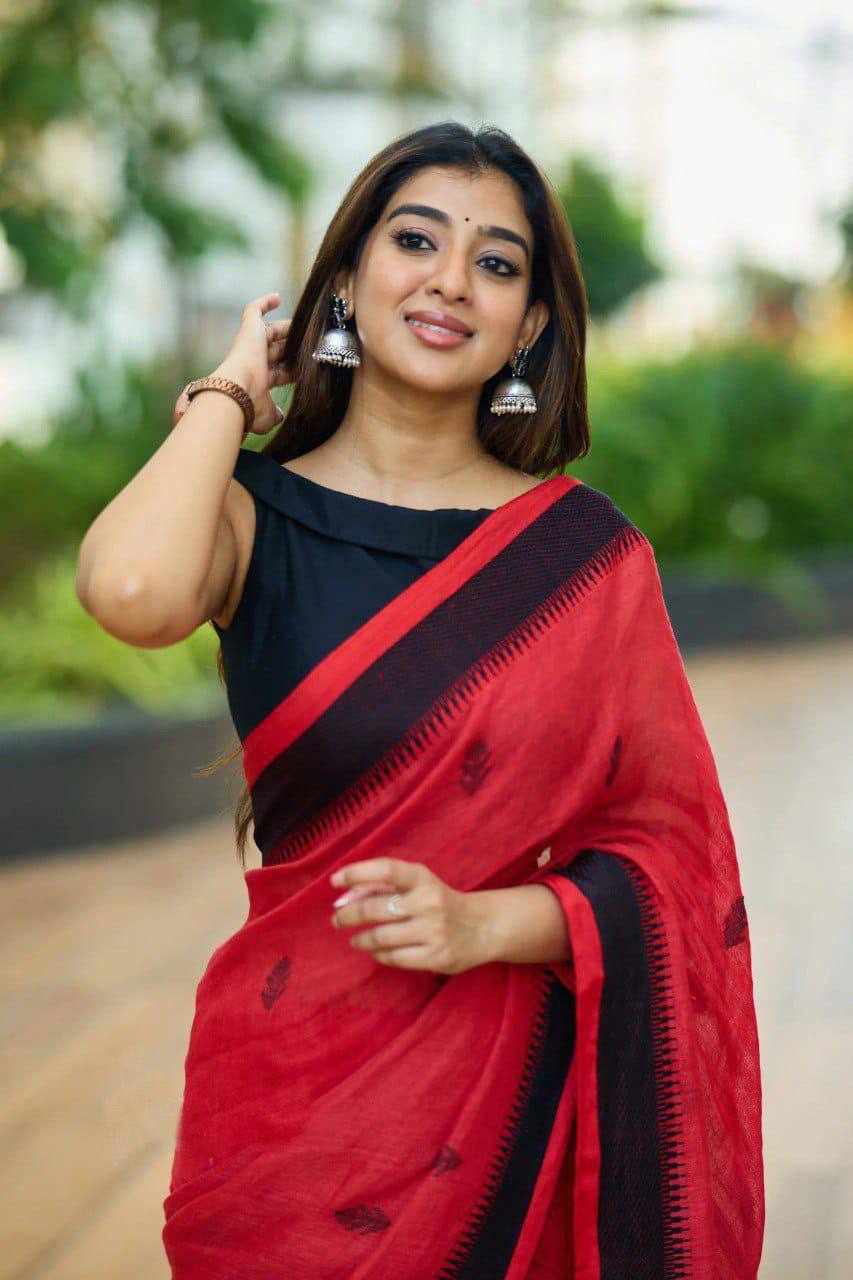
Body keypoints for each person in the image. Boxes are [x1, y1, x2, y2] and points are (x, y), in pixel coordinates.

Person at [76, 121, 764, 1279]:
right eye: (414, 241)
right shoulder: (248, 514)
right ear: (344, 278)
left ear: (528, 323)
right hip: (292, 1097)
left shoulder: (582, 559)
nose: (450, 280)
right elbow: (131, 592)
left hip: (504, 1101)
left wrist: (481, 923)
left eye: (495, 263)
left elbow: (674, 862)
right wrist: (233, 388)